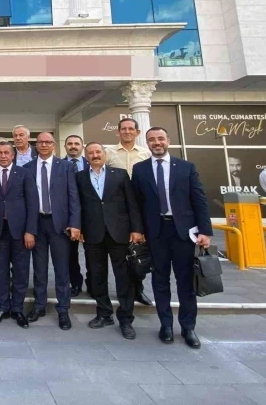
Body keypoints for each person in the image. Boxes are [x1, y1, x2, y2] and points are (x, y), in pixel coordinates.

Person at [131, 127, 212, 349]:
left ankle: (188, 327)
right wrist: (138, 230)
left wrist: (205, 231)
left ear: (168, 140)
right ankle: (165, 325)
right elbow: (136, 204)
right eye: (151, 140)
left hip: (183, 233)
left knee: (186, 281)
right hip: (155, 233)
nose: (156, 143)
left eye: (160, 139)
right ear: (147, 143)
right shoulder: (139, 169)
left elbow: (199, 199)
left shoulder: (186, 167)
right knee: (160, 280)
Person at [76, 142, 144, 340]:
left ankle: (126, 319)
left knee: (124, 277)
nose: (95, 155)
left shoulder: (120, 174)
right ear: (86, 156)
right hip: (93, 234)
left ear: (104, 154)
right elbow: (78, 205)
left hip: (119, 233)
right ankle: (104, 313)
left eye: (98, 152)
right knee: (97, 276)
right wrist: (79, 228)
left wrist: (136, 229)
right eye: (91, 153)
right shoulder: (80, 177)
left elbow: (132, 203)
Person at [23, 132, 81, 330]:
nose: (44, 145)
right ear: (36, 145)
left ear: (54, 145)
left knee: (61, 269)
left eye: (48, 142)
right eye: (40, 142)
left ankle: (63, 309)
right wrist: (28, 229)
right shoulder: (28, 167)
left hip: (60, 226)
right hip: (37, 224)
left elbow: (73, 197)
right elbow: (26, 200)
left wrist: (75, 223)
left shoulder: (66, 167)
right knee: (39, 269)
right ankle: (39, 305)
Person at [0, 141, 38, 329]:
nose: (3, 156)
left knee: (21, 271)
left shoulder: (24, 173)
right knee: (0, 271)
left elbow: (33, 203)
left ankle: (17, 309)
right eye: (0, 153)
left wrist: (30, 231)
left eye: (6, 152)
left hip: (21, 231)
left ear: (13, 155)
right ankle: (2, 307)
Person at [106, 118, 153, 307]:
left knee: (139, 251)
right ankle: (125, 290)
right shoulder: (108, 153)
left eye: (130, 129)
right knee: (121, 253)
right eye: (123, 129)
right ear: (118, 132)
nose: (127, 132)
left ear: (137, 132)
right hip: (117, 209)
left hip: (140, 207)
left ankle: (138, 289)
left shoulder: (146, 153)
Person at [63, 134, 90, 297]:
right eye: (70, 143)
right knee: (71, 254)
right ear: (65, 146)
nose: (73, 146)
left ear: (82, 146)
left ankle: (93, 284)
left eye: (76, 144)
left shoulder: (91, 163)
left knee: (92, 254)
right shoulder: (59, 165)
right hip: (69, 217)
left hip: (90, 216)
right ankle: (75, 283)